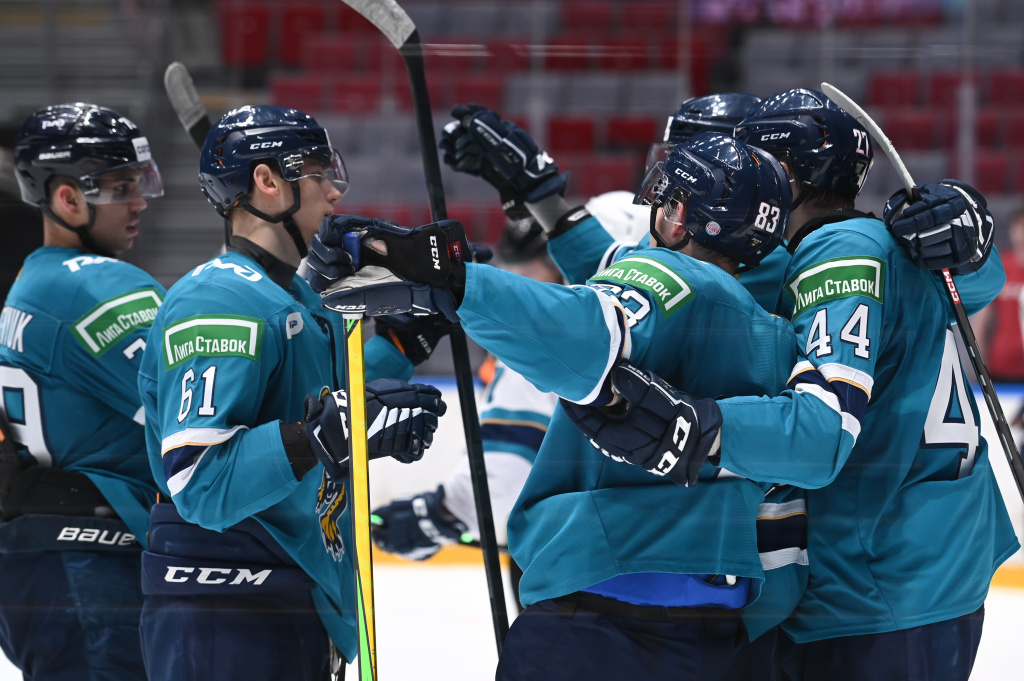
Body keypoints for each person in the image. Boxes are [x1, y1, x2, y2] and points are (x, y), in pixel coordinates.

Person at [316, 133, 809, 681]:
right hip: (715, 627)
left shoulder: (674, 277)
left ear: (679, 218)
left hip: (603, 616)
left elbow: (586, 330)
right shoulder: (773, 334)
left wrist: (448, 279)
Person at [570, 88, 1017, 681]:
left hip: (879, 571)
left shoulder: (837, 252)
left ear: (786, 170)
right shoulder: (877, 243)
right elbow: (970, 283)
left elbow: (821, 422)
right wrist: (975, 244)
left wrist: (699, 428)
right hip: (928, 555)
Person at [136, 105, 447, 681]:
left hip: (289, 591)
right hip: (228, 611)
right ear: (266, 180)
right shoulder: (218, 301)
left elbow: (313, 407)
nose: (334, 192)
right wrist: (324, 434)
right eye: (319, 174)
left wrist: (399, 349)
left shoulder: (299, 299)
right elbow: (199, 481)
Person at [0, 103, 165, 680]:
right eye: (121, 187)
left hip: (49, 562)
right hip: (92, 567)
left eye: (139, 182)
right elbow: (201, 407)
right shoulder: (97, 287)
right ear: (68, 199)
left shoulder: (35, 280)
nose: (139, 201)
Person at [440, 95, 789, 313]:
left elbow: (597, 313)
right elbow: (607, 264)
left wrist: (471, 288)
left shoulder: (753, 266)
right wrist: (537, 192)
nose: (667, 184)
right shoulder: (720, 253)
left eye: (685, 164)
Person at [369, 218, 562, 608]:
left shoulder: (544, 338)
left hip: (571, 559)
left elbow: (509, 458)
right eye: (514, 268)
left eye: (532, 269)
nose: (521, 281)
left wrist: (438, 515)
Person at [972, 207, 1024, 383]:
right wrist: (980, 367)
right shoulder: (999, 267)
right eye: (1019, 225)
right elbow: (981, 320)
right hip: (1002, 364)